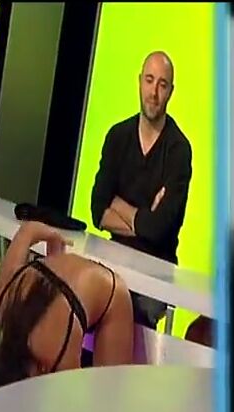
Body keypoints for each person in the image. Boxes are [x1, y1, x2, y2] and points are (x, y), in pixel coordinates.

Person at [0, 221, 134, 412]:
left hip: (86, 294)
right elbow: (28, 231)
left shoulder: (56, 358)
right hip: (65, 282)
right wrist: (55, 245)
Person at [91, 51, 192, 330]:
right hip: (114, 255)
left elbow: (161, 229)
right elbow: (98, 210)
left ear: (171, 91)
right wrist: (145, 220)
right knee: (87, 295)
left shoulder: (179, 151)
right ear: (139, 82)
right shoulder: (117, 137)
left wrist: (117, 203)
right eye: (149, 80)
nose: (154, 93)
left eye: (162, 84)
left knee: (135, 310)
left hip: (157, 267)